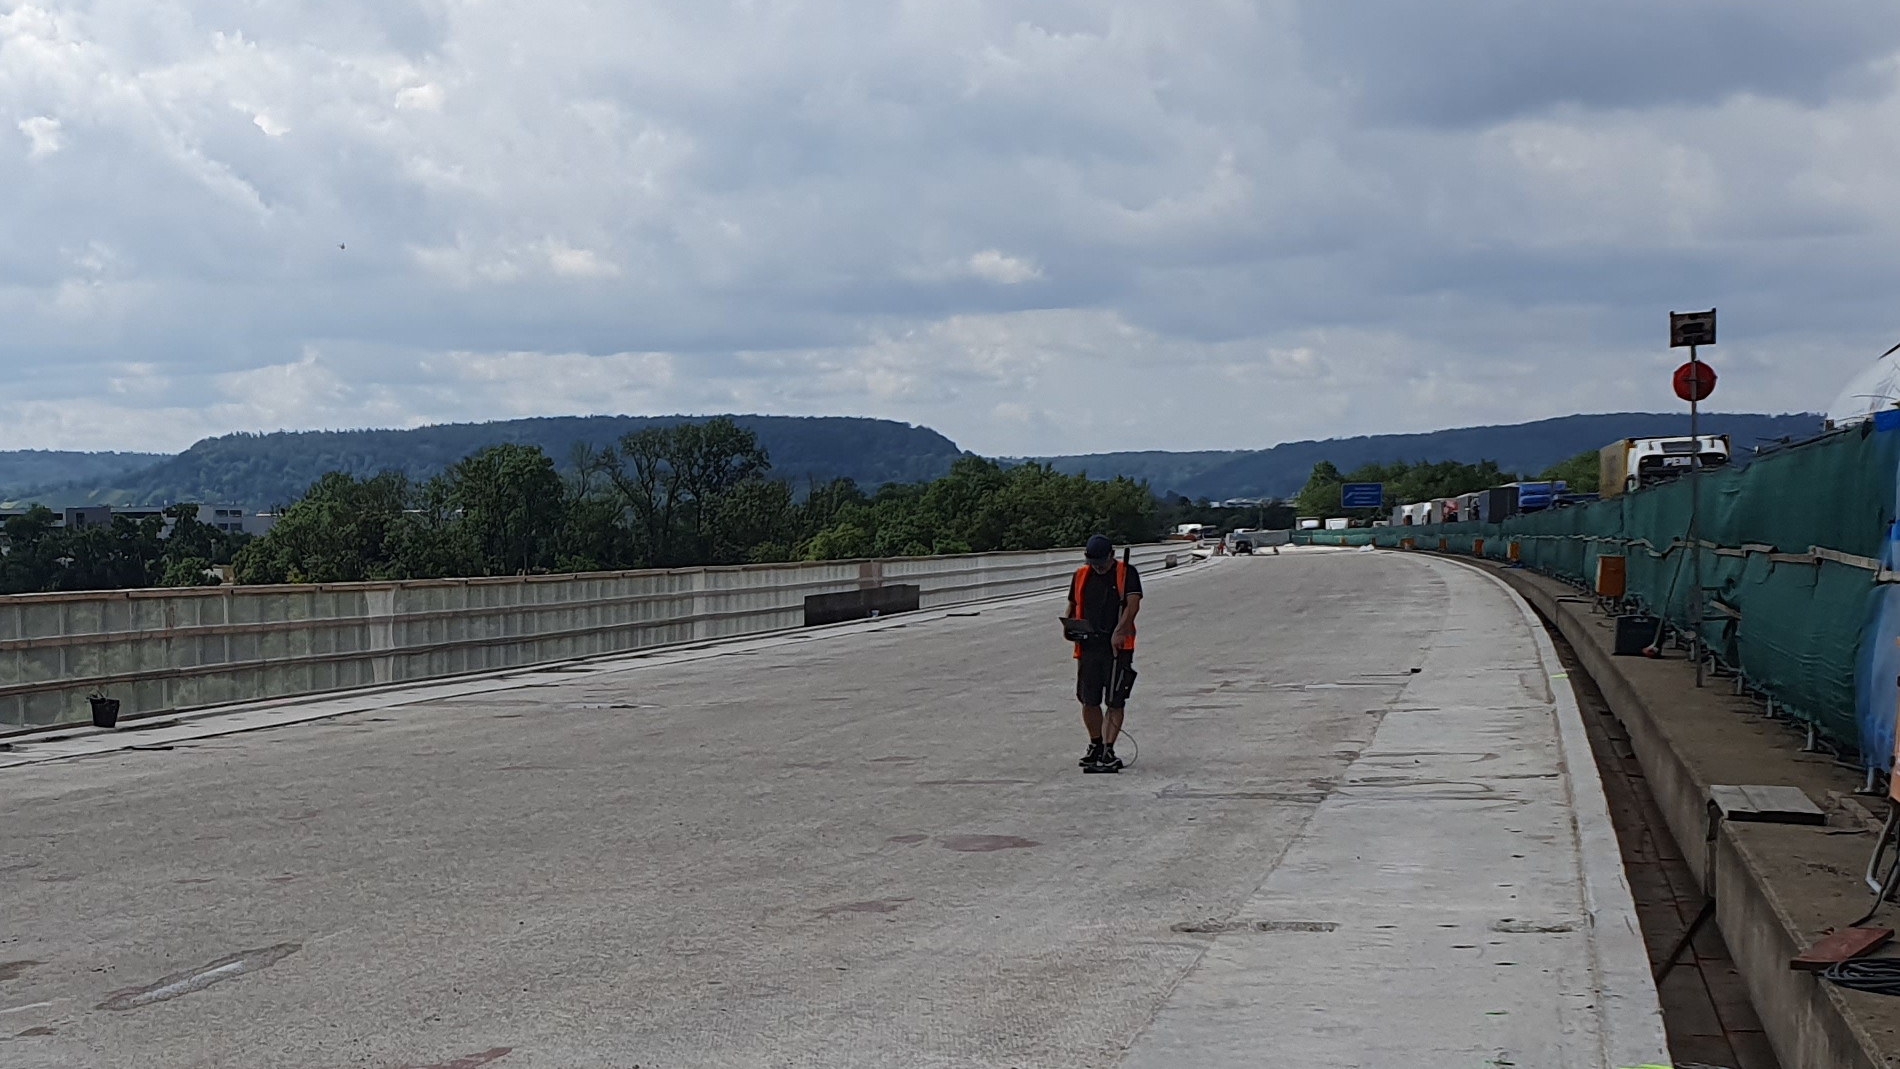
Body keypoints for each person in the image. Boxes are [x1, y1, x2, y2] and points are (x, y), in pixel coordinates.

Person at [1066, 534, 1142, 773]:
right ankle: (1096, 745)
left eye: (1101, 562)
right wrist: (1070, 627)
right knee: (1088, 699)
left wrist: (1120, 631)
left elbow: (1133, 605)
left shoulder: (1126, 573)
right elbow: (1072, 605)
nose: (1097, 567)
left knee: (1115, 699)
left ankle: (1109, 749)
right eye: (1093, 562)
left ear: (1112, 555)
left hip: (1118, 649)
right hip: (1089, 647)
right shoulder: (1081, 576)